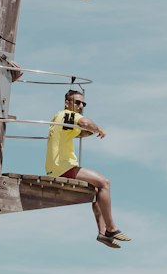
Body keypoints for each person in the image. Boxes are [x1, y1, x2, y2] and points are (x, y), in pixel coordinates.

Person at [45, 89, 130, 249]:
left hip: (57, 167)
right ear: (67, 103)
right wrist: (98, 128)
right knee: (104, 182)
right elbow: (85, 123)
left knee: (97, 191)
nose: (81, 105)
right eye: (77, 102)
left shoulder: (61, 119)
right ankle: (111, 228)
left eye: (83, 103)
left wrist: (91, 131)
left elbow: (81, 131)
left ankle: (102, 233)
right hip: (63, 167)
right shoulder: (66, 114)